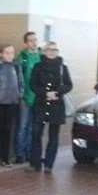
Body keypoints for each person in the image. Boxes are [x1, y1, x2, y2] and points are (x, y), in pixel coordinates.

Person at [28, 41, 72, 173]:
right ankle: (35, 163)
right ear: (44, 51)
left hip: (56, 105)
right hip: (41, 104)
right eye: (50, 49)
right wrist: (45, 93)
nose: (52, 52)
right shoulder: (38, 66)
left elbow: (69, 85)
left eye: (55, 50)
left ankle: (49, 164)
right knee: (36, 133)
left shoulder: (62, 67)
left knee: (53, 136)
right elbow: (33, 84)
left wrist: (57, 93)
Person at [0, 45, 23, 166]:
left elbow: (21, 82)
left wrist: (19, 95)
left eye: (12, 53)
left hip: (12, 102)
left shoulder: (16, 66)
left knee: (9, 130)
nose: (10, 55)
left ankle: (6, 157)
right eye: (7, 53)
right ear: (1, 54)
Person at [15, 31, 41, 163]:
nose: (34, 43)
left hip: (39, 97)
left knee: (34, 127)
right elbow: (18, 78)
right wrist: (21, 94)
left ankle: (31, 153)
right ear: (25, 43)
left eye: (35, 40)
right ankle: (20, 154)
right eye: (31, 40)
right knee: (23, 126)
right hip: (25, 97)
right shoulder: (22, 58)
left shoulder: (41, 56)